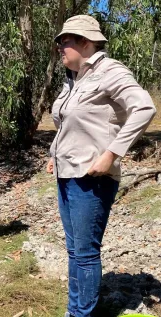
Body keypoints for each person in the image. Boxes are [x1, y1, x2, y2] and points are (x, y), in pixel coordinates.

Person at [47, 15, 157, 317]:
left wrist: (112, 154)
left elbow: (144, 107)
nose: (59, 46)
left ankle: (83, 313)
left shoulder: (109, 71)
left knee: (84, 254)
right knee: (74, 252)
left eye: (64, 40)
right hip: (66, 174)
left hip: (92, 178)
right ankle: (74, 310)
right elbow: (68, 125)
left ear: (85, 41)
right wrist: (52, 153)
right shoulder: (73, 81)